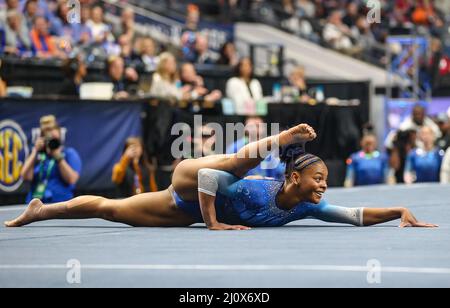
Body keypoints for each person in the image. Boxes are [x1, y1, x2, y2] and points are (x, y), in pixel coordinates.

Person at [6, 124, 437, 230]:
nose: (324, 186)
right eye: (318, 179)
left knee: (111, 210)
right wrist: (213, 225)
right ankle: (281, 136)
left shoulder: (308, 207)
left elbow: (354, 214)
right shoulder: (260, 187)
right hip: (194, 179)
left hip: (184, 207)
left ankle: (42, 210)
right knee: (231, 165)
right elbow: (212, 177)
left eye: (325, 180)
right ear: (292, 179)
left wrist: (399, 209)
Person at [19, 115, 82, 204]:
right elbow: (25, 177)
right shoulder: (38, 155)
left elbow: (72, 179)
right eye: (47, 132)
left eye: (53, 130)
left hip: (61, 205)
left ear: (59, 133)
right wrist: (35, 152)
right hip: (36, 205)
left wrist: (57, 156)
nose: (50, 134)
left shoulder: (69, 153)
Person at [226, 116, 285, 180]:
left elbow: (280, 172)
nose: (256, 129)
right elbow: (228, 171)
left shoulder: (270, 147)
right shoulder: (235, 147)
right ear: (245, 129)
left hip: (268, 185)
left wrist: (264, 179)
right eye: (252, 126)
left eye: (259, 126)